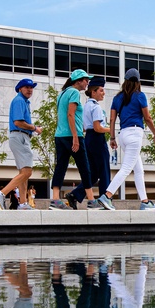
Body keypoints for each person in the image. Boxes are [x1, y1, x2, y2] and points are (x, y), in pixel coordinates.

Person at [98, 68, 155, 211]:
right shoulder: (140, 96)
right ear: (138, 82)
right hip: (134, 133)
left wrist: (112, 137)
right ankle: (107, 196)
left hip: (123, 135)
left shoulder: (117, 98)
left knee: (138, 170)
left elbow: (112, 119)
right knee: (126, 168)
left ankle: (145, 202)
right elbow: (148, 118)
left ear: (125, 81)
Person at [49, 69, 104, 211]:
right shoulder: (74, 92)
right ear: (78, 81)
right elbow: (70, 115)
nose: (88, 83)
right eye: (86, 80)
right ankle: (91, 201)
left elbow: (66, 116)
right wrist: (75, 136)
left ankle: (55, 199)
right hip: (72, 136)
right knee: (85, 168)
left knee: (60, 167)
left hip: (59, 136)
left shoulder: (62, 94)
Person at [64, 76, 111, 209]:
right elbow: (97, 128)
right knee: (104, 171)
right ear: (93, 91)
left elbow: (84, 127)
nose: (103, 93)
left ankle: (75, 195)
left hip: (88, 139)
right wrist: (111, 130)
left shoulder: (85, 106)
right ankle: (104, 199)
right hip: (97, 138)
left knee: (93, 173)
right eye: (101, 90)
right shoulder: (96, 108)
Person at [0, 78, 42, 211]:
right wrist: (34, 128)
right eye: (27, 87)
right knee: (27, 172)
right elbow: (18, 122)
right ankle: (1, 193)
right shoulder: (19, 101)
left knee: (23, 172)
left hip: (21, 137)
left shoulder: (24, 102)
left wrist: (33, 129)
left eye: (32, 87)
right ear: (20, 89)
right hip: (20, 136)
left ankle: (23, 204)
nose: (30, 90)